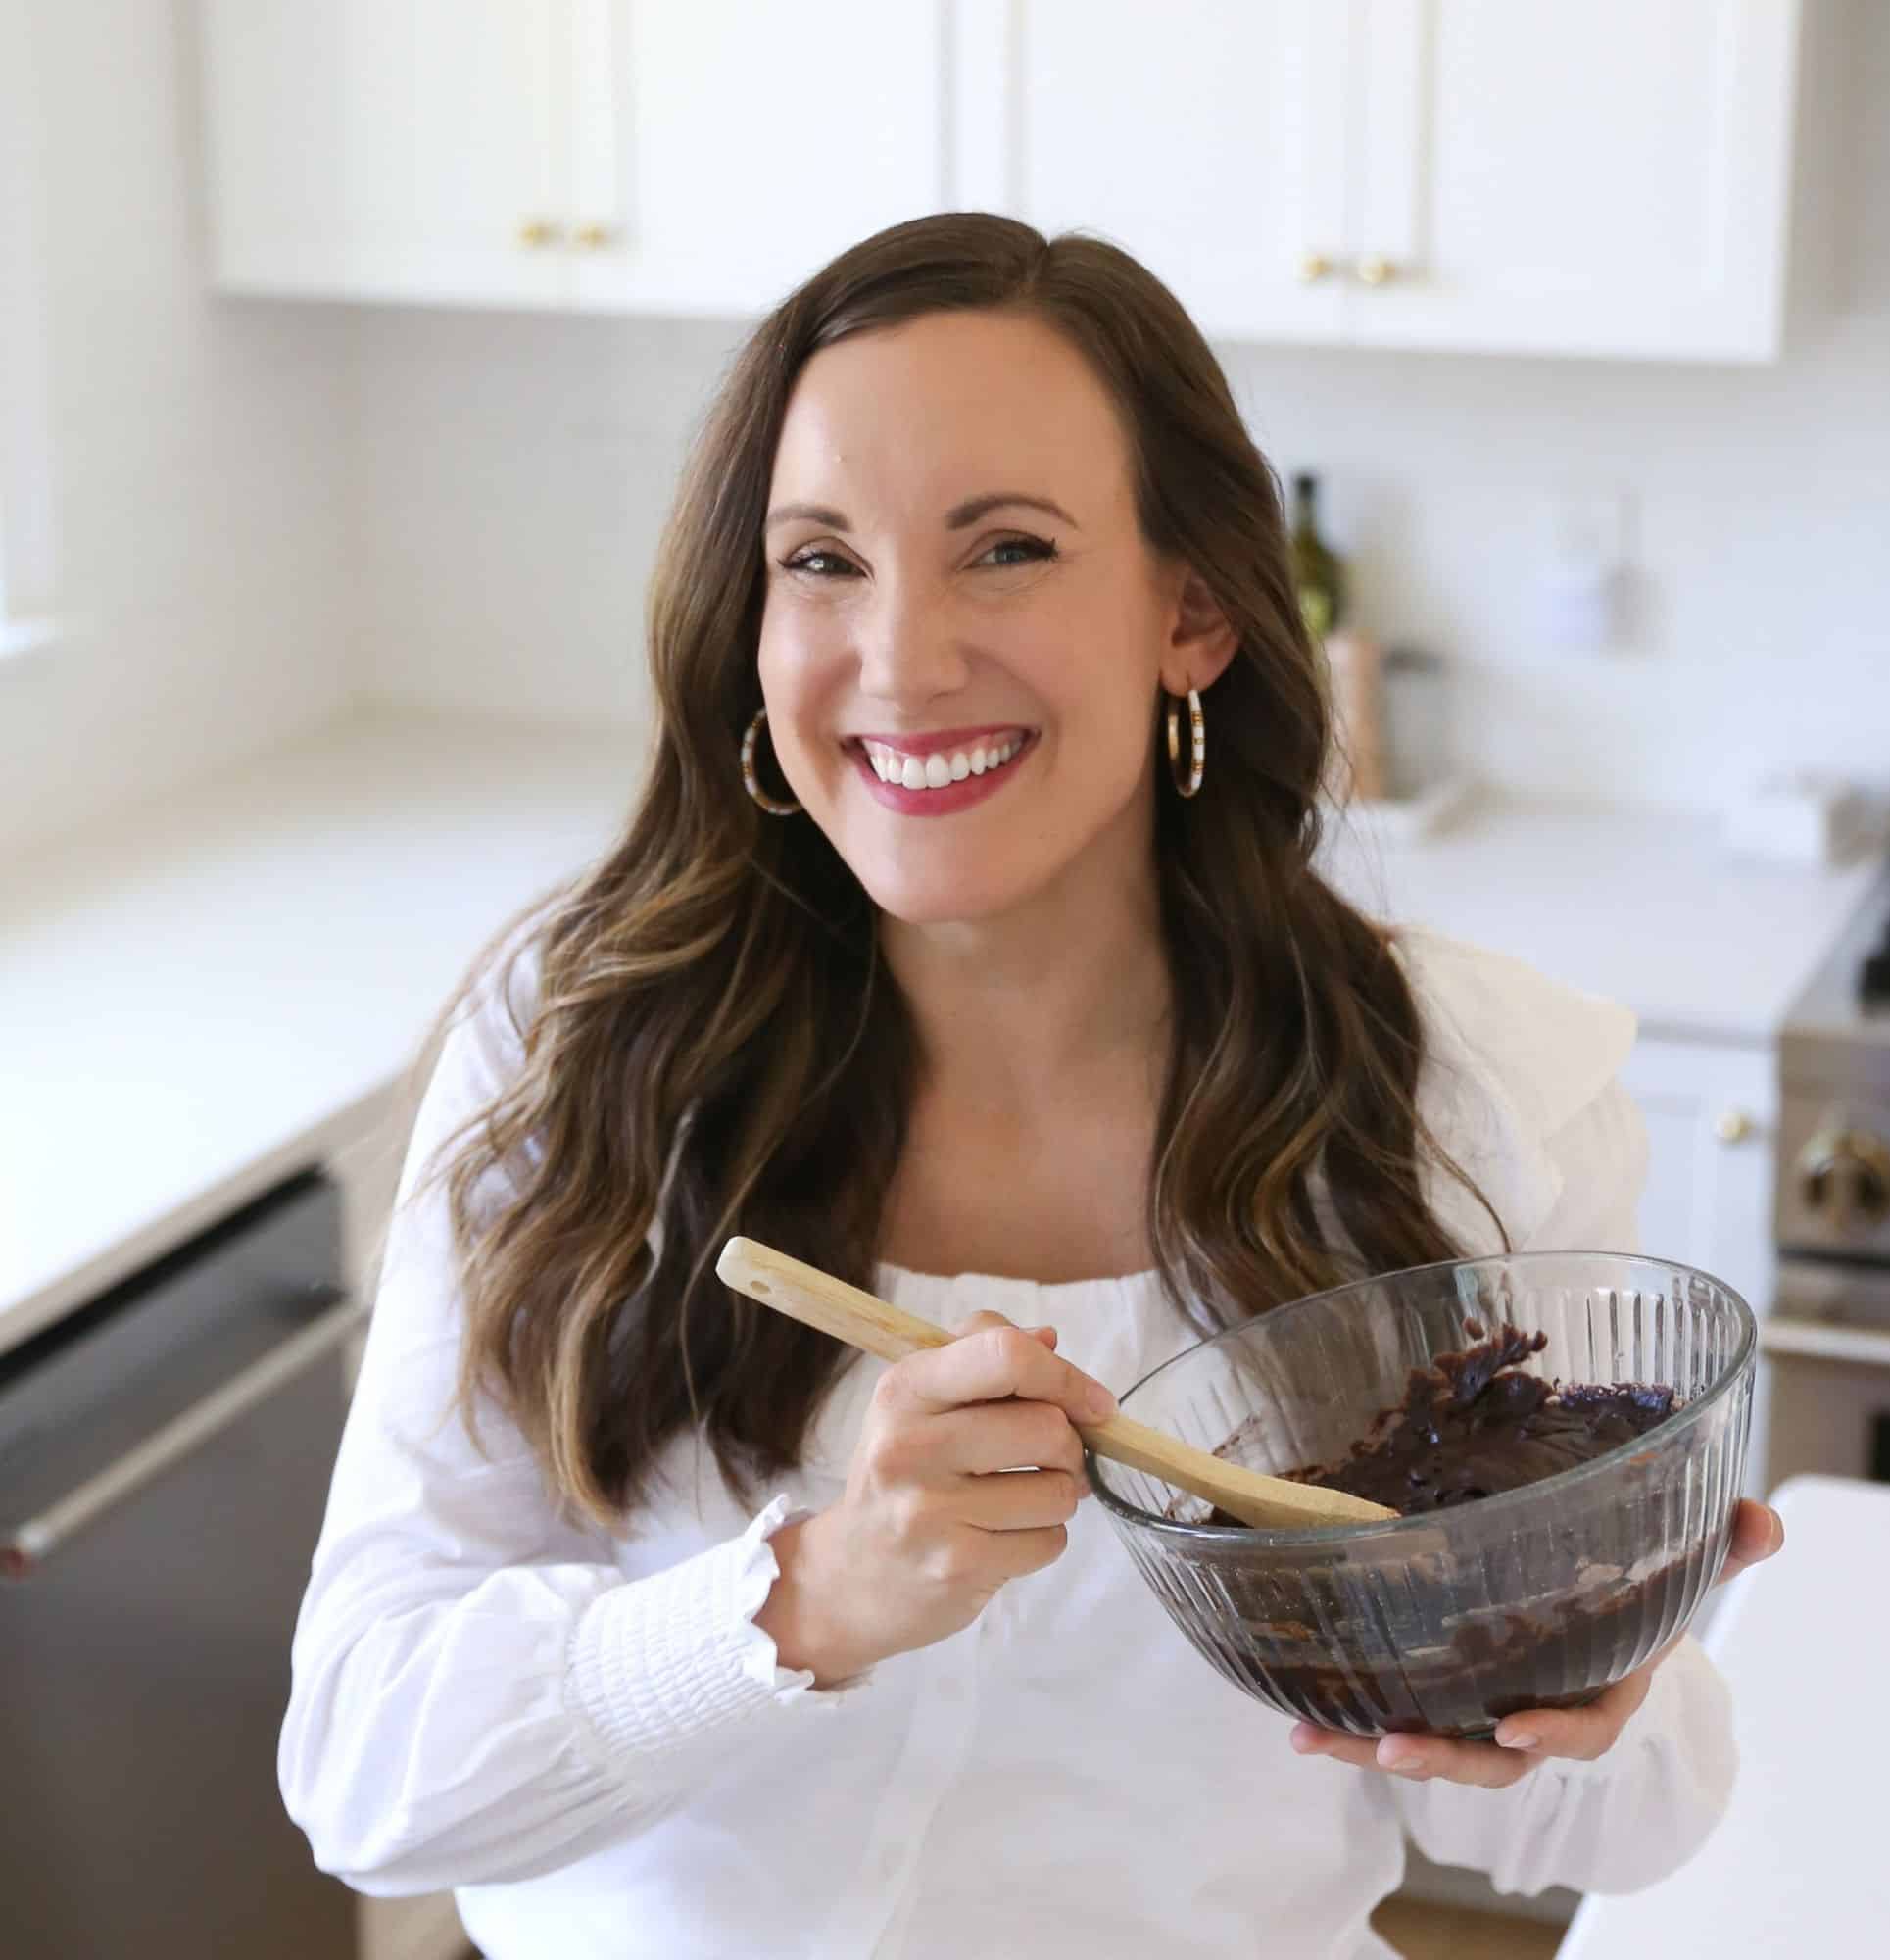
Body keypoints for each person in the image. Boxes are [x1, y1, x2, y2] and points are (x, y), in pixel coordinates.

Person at [278, 213, 1780, 1959]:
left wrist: (1586, 1660)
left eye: (1005, 549)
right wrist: (808, 1601)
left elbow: (1634, 1819)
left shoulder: (1458, 1102)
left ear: (1194, 611)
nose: (902, 662)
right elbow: (366, 1773)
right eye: (823, 560)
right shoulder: (582, 1046)